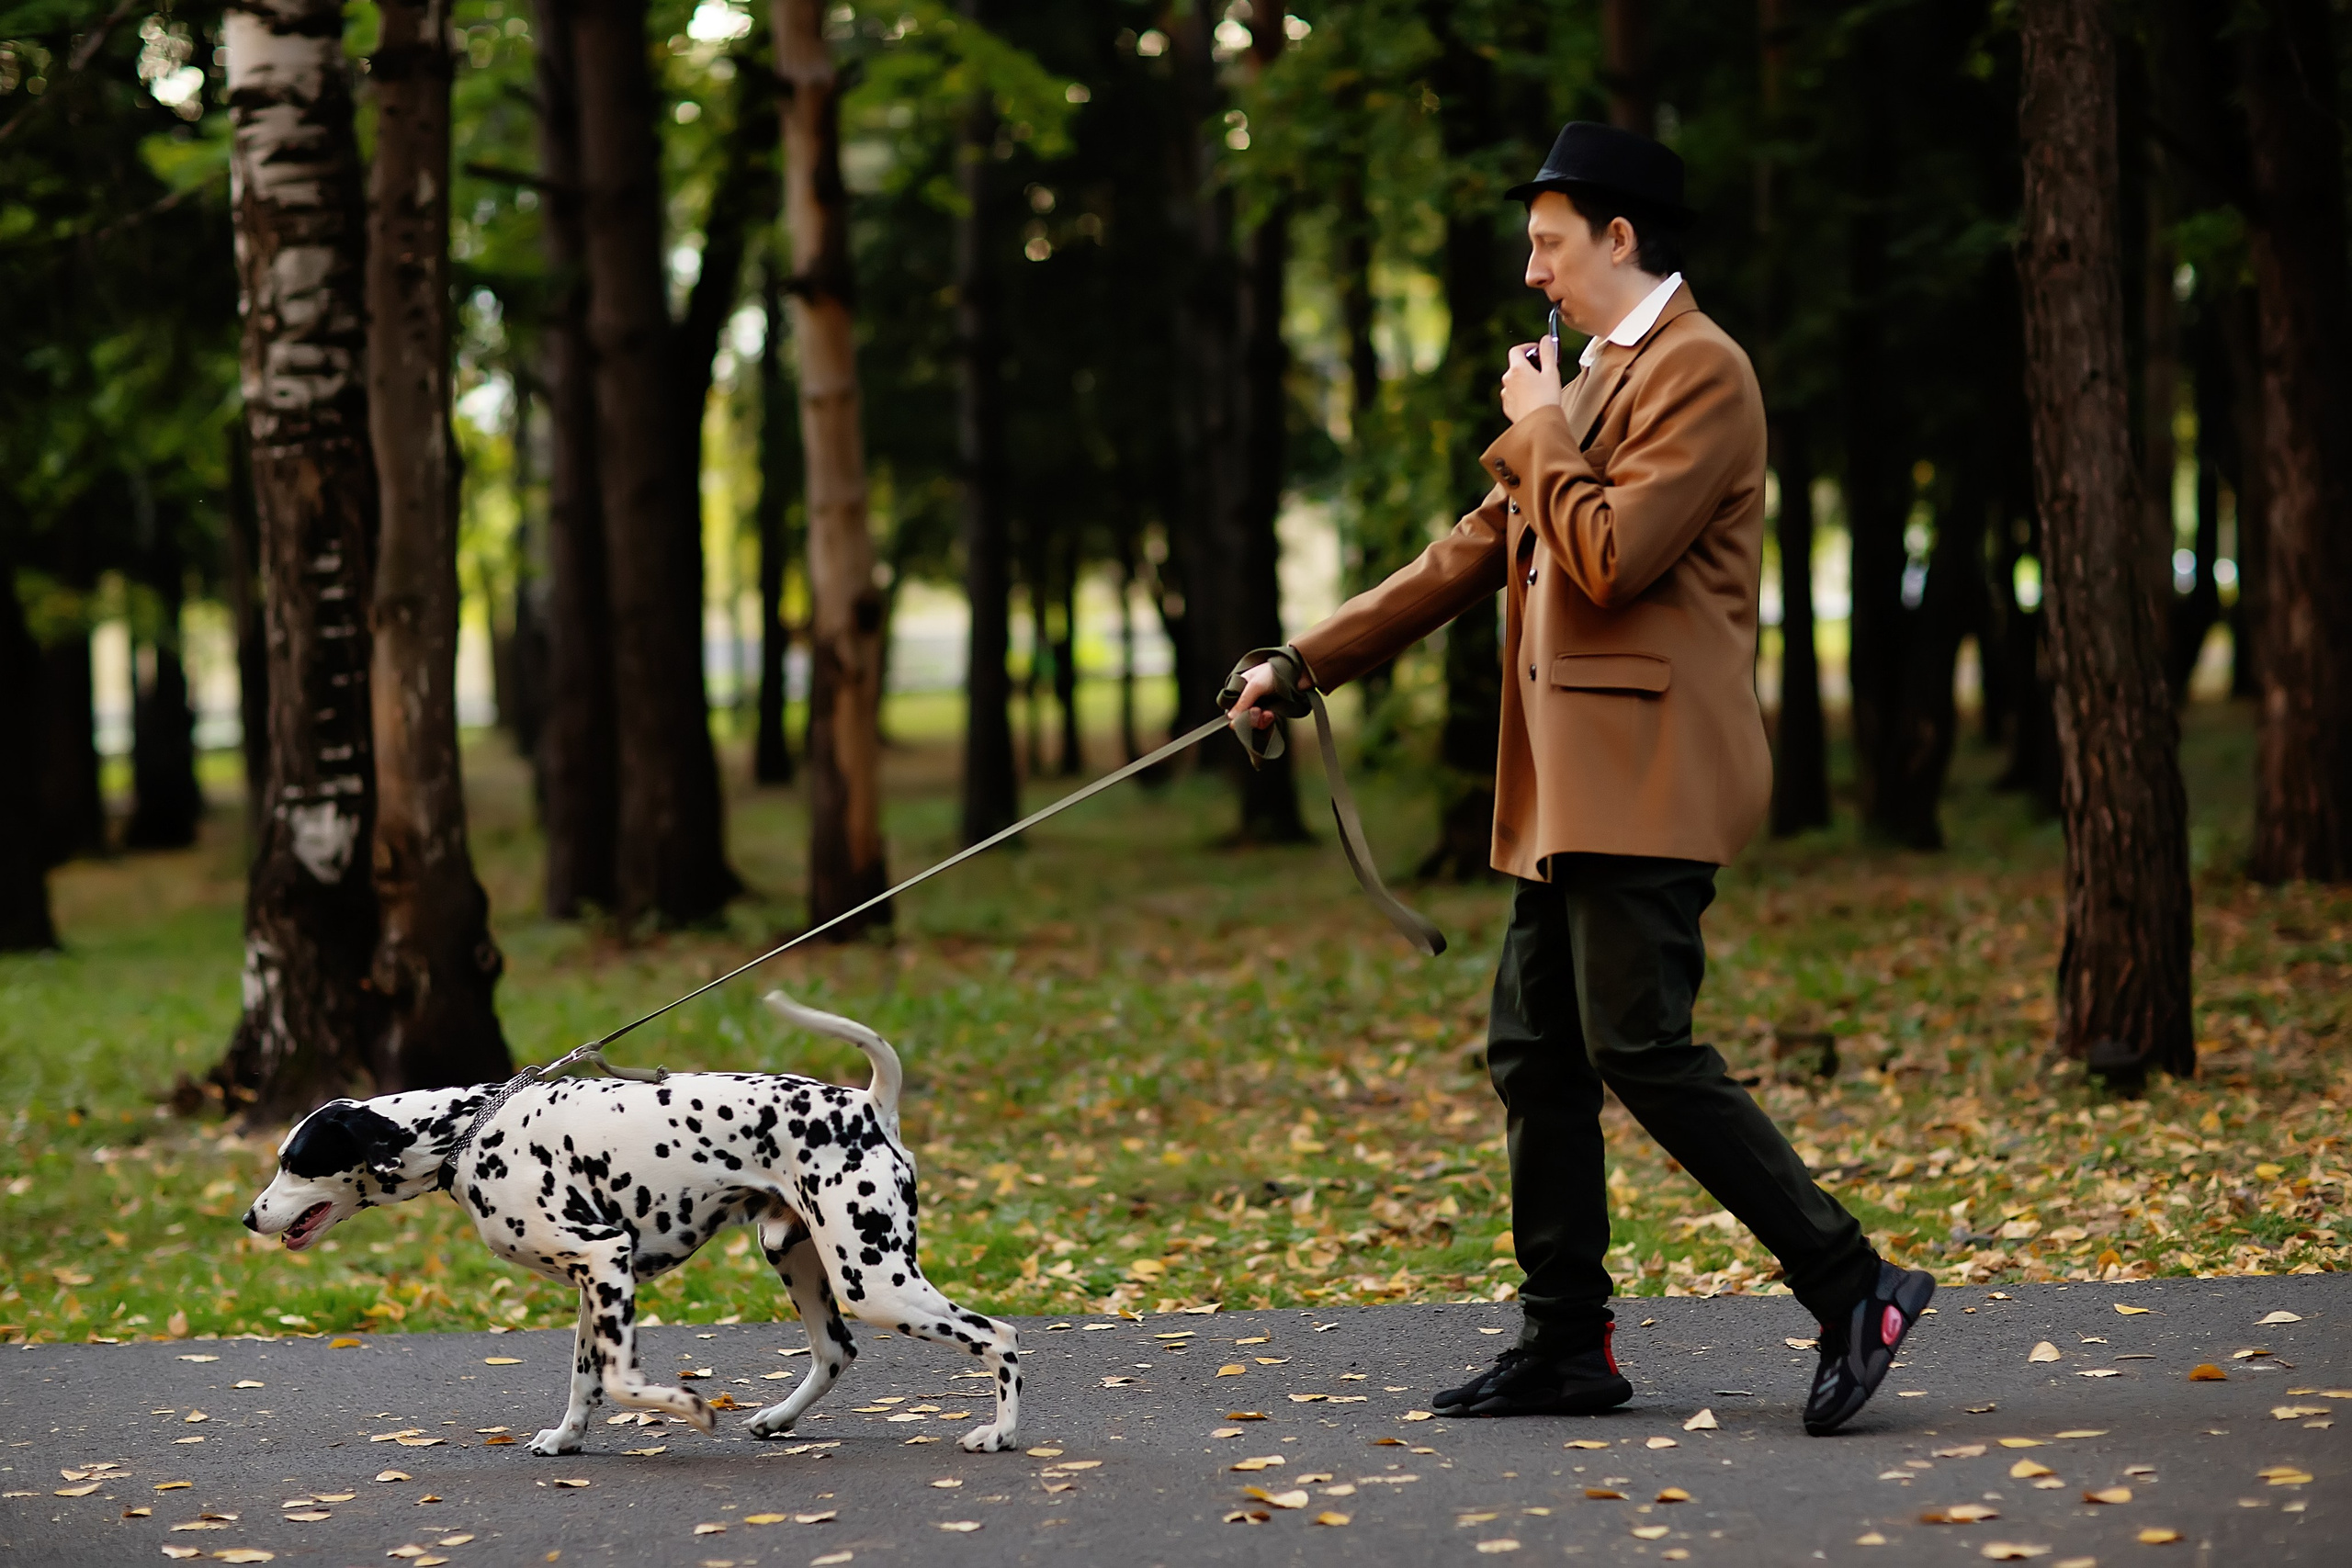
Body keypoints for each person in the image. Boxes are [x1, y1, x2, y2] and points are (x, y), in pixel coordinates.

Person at [1227, 121, 1934, 1437]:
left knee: (1641, 1048)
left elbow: (1610, 556)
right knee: (1534, 1053)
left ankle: (1855, 1286)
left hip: (1650, 776)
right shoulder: (1599, 376)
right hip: (1569, 789)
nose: (1534, 273)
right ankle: (1566, 1344)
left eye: (1549, 245)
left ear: (1619, 237)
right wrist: (1302, 663)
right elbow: (1471, 550)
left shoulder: (1702, 372)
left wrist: (1542, 426)